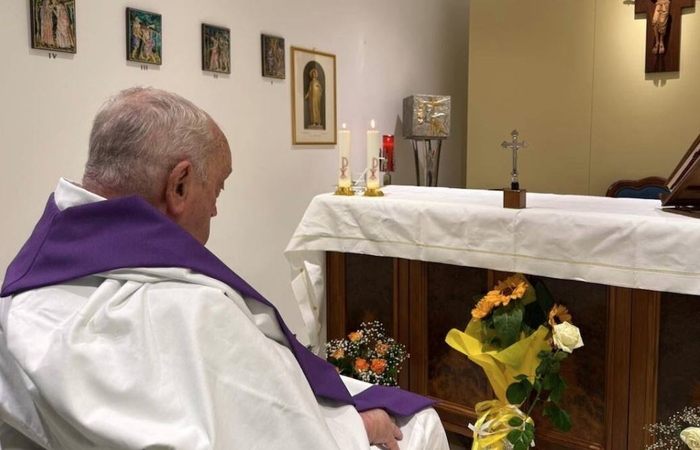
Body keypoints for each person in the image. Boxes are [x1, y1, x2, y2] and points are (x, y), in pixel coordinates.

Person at [0, 87, 447, 449]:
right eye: (217, 188)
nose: (215, 208)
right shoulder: (196, 311)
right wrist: (361, 429)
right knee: (421, 424)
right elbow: (283, 435)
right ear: (178, 185)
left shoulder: (22, 295)